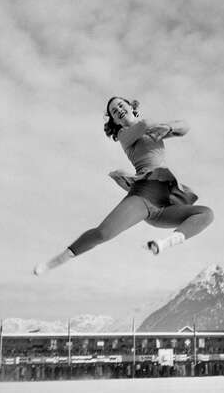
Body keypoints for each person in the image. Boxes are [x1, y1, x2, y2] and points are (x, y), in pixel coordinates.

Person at [33, 97, 213, 275]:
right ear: (115, 120)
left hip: (165, 205)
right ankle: (54, 262)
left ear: (130, 105)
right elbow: (145, 123)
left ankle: (162, 244)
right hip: (144, 196)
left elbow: (185, 126)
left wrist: (170, 127)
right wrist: (163, 127)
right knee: (103, 234)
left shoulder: (152, 130)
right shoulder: (124, 136)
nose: (118, 109)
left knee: (205, 214)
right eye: (113, 111)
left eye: (120, 105)